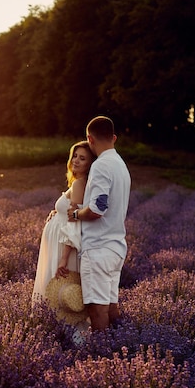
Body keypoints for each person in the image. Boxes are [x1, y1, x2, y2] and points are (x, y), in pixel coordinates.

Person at [67, 116, 131, 332]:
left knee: (97, 310)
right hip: (115, 247)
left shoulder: (102, 165)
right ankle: (119, 349)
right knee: (111, 307)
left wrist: (76, 214)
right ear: (114, 137)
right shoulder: (121, 164)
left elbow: (97, 209)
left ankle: (102, 355)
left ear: (89, 138)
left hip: (99, 249)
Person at [32, 141, 95, 311]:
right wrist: (56, 212)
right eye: (75, 156)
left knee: (58, 291)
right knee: (56, 292)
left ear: (90, 164)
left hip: (62, 246)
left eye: (82, 158)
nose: (76, 160)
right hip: (58, 243)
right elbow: (68, 213)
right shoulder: (78, 183)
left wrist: (64, 258)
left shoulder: (79, 184)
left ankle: (59, 330)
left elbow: (74, 223)